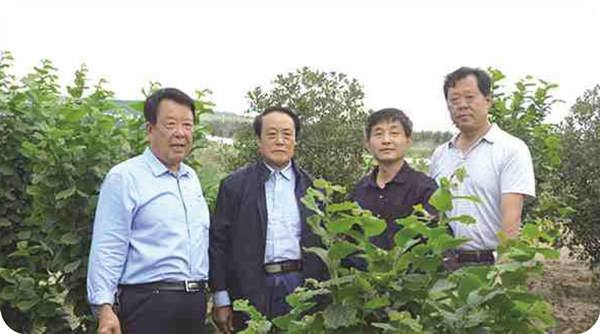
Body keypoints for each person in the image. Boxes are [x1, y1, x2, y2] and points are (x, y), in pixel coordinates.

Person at [86, 88, 210, 334]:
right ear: (150, 130)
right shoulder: (125, 177)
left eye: (187, 125)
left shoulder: (190, 178)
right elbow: (108, 245)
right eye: (171, 124)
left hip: (193, 303)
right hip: (148, 304)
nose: (180, 133)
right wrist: (104, 308)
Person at [209, 107, 327, 333]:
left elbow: (324, 244)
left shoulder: (314, 189)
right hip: (250, 286)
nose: (280, 141)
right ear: (259, 141)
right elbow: (218, 244)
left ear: (296, 140)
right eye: (271, 134)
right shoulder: (234, 186)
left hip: (299, 286)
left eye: (287, 134)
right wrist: (221, 298)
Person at [429, 66, 535, 267]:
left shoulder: (511, 149)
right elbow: (435, 214)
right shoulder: (440, 154)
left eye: (469, 97)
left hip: (488, 263)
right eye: (454, 100)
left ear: (488, 101)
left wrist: (502, 270)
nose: (461, 105)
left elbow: (511, 219)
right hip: (444, 265)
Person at [346, 108, 437, 268]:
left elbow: (433, 242)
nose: (386, 140)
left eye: (394, 133)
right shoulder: (359, 190)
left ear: (408, 141)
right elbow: (349, 242)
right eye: (379, 134)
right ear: (367, 144)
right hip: (364, 287)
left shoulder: (424, 188)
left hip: (411, 287)